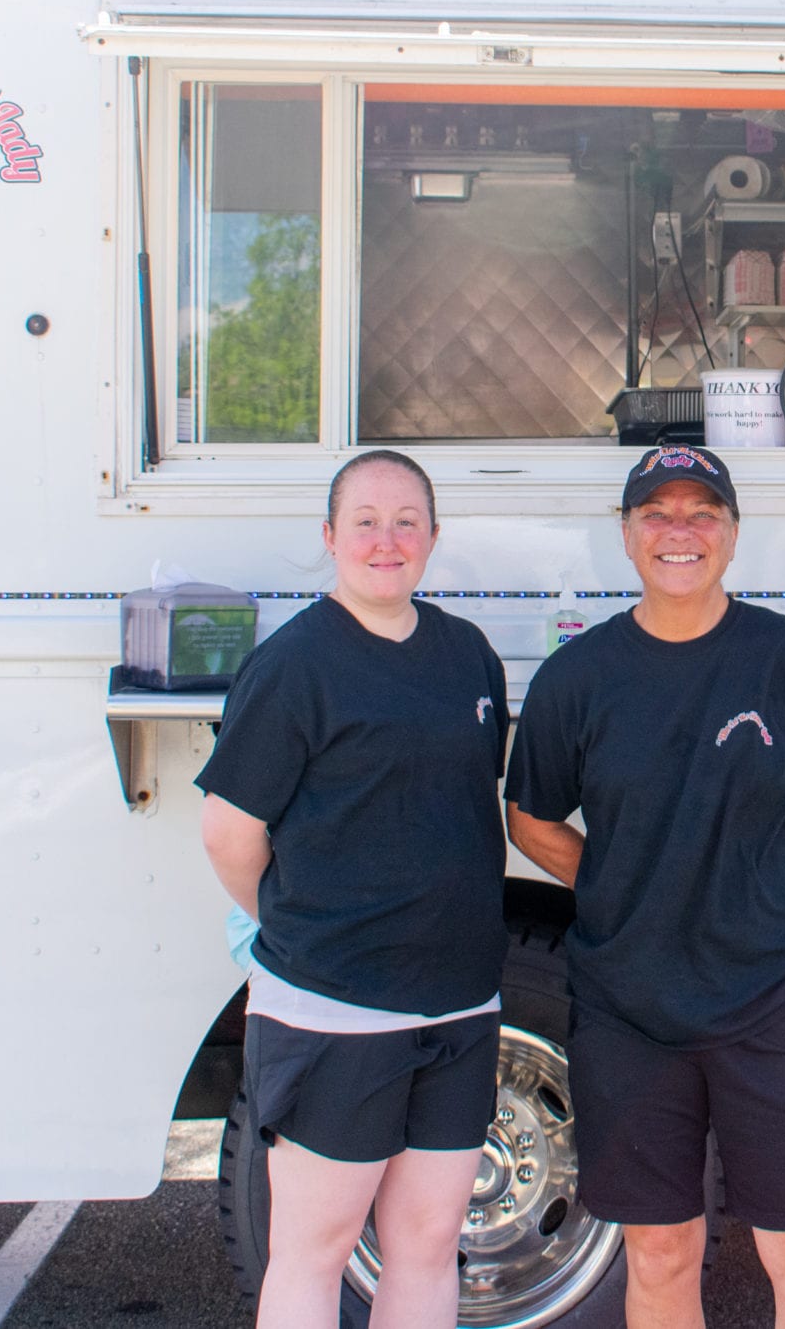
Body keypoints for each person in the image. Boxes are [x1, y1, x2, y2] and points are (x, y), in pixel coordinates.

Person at [506, 445, 785, 1329]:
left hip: (771, 1000)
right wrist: (629, 885)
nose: (681, 530)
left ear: (733, 535)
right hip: (630, 1010)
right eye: (657, 513)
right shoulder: (577, 677)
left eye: (702, 512)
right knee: (661, 1251)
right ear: (627, 535)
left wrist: (754, 883)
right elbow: (531, 820)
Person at [197, 451, 510, 1329]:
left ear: (434, 536)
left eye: (406, 521)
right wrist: (302, 929)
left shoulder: (467, 655)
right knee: (314, 1251)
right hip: (333, 1009)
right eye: (365, 521)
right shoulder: (295, 664)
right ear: (330, 537)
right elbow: (228, 831)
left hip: (459, 1005)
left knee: (428, 1245)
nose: (387, 539)